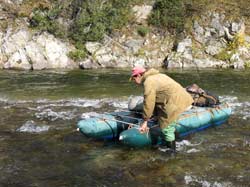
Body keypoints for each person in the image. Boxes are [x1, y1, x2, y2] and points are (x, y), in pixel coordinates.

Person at [130, 67, 194, 153]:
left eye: (134, 79)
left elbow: (149, 102)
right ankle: (178, 142)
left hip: (174, 102)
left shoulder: (149, 82)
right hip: (180, 99)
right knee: (170, 125)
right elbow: (158, 98)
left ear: (138, 75)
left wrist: (145, 121)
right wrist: (156, 116)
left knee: (166, 128)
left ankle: (172, 152)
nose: (134, 81)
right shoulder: (158, 75)